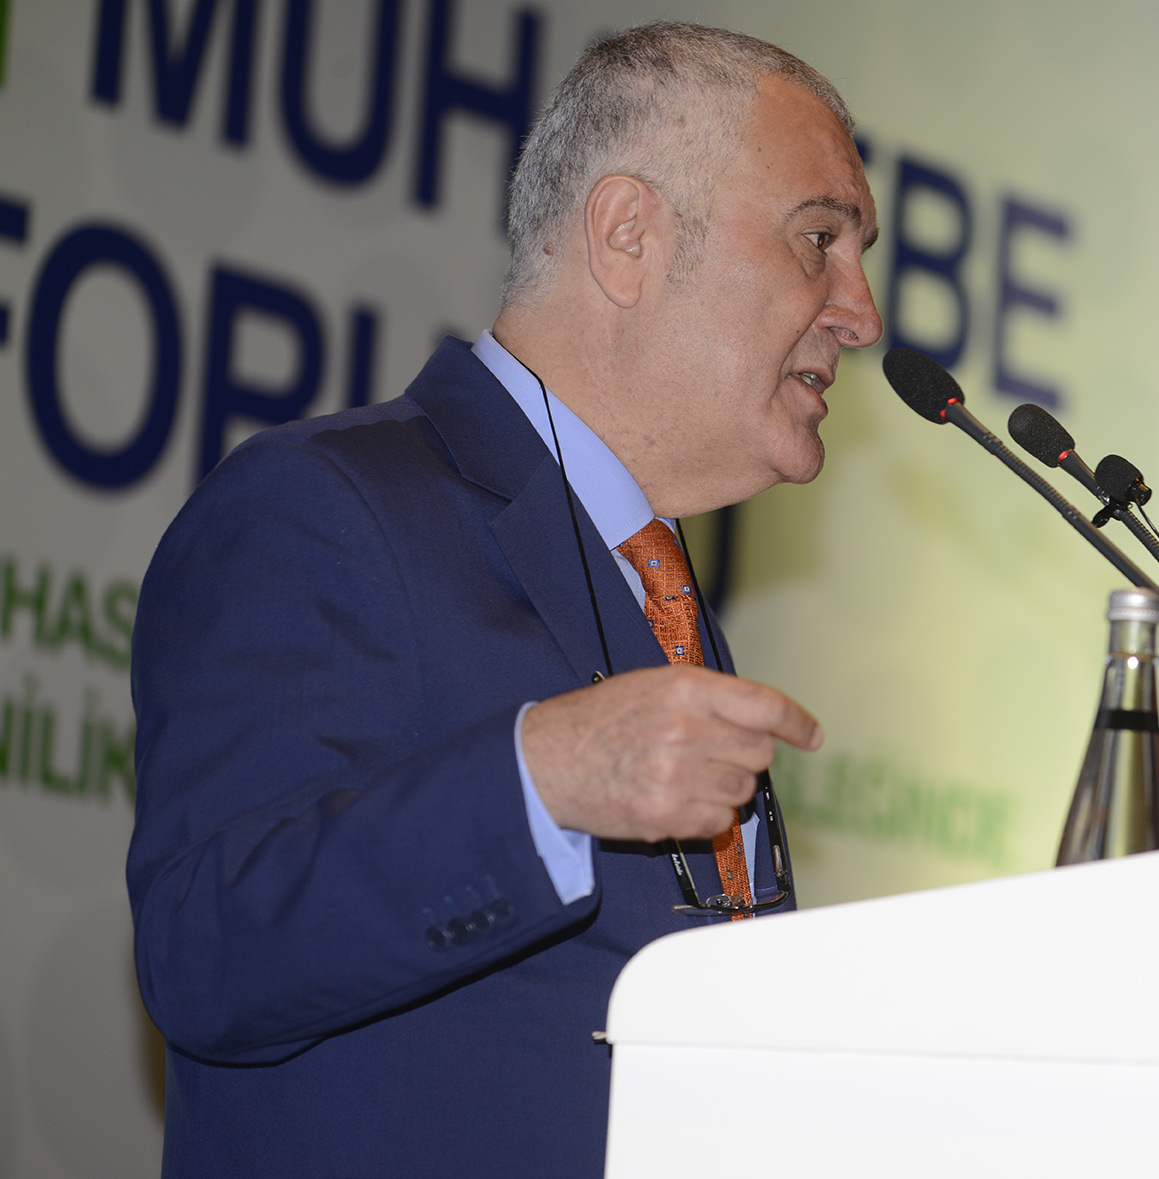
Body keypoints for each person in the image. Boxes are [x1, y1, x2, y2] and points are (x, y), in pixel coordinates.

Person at [125, 22, 881, 1177]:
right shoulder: (321, 505)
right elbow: (205, 949)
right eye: (817, 239)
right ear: (626, 236)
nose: (860, 314)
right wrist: (541, 782)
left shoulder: (656, 588)